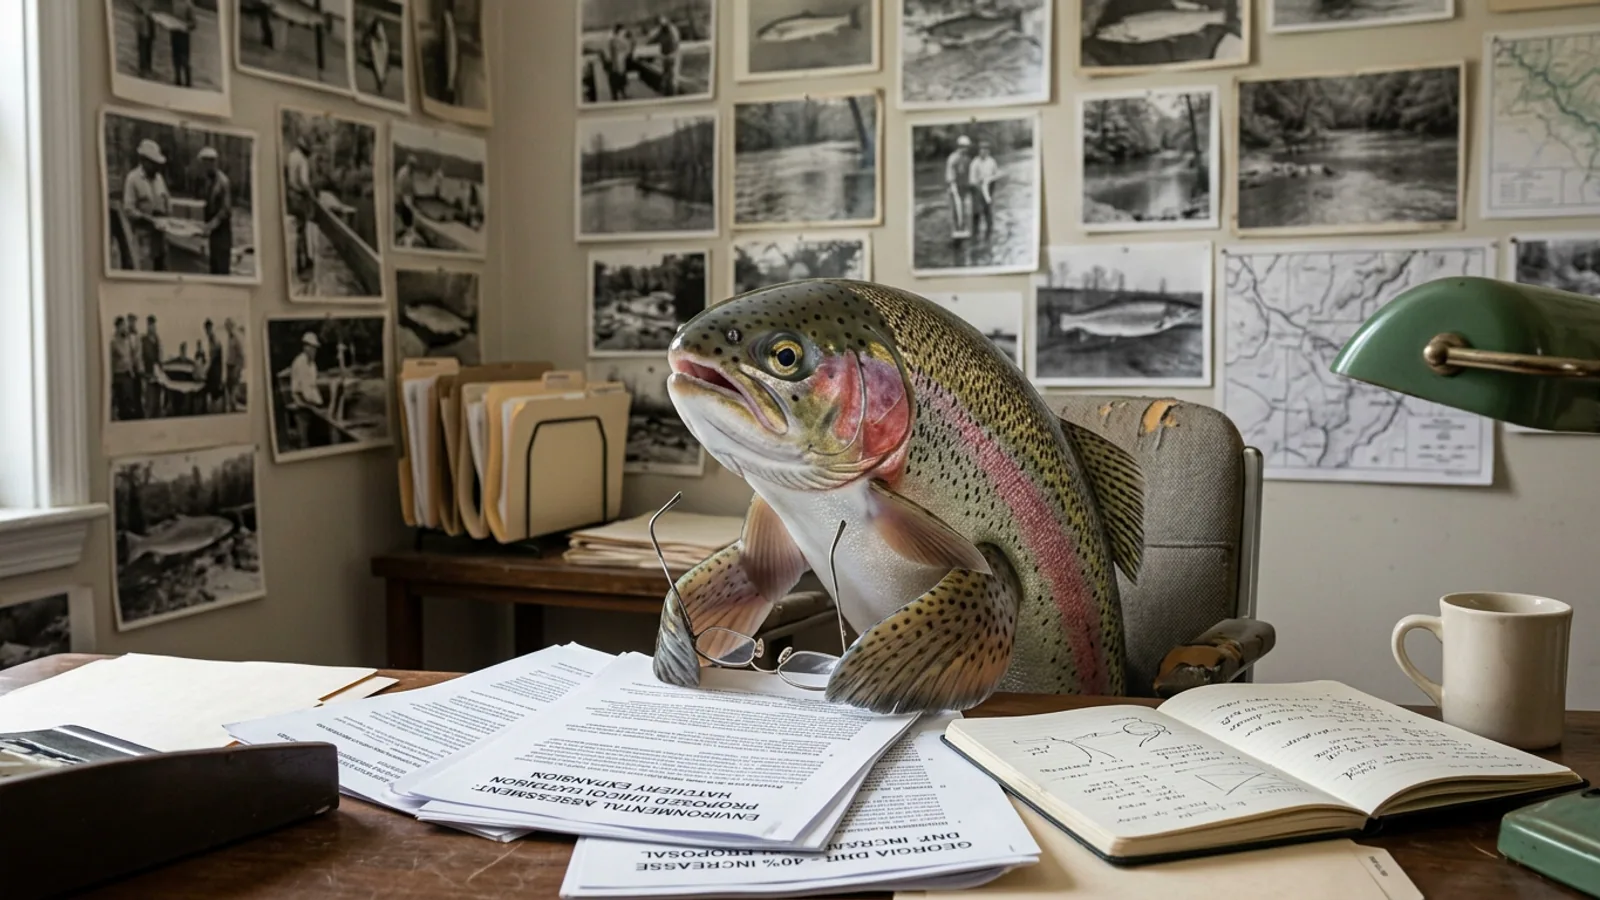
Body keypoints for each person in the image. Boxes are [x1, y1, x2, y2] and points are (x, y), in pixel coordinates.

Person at [123, 138, 171, 272]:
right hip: (144, 240)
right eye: (153, 163)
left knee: (163, 274)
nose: (157, 167)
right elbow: (128, 209)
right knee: (147, 273)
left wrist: (167, 214)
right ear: (144, 161)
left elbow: (167, 198)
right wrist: (148, 218)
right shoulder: (133, 179)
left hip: (161, 239)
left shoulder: (159, 178)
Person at [197, 146, 233, 277]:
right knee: (214, 268)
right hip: (214, 234)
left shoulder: (223, 182)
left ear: (212, 163)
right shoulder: (209, 182)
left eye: (206, 163)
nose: (204, 168)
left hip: (222, 234)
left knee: (222, 269)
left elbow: (226, 210)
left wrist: (210, 225)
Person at [285, 135, 315, 276]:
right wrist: (310, 193)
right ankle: (303, 262)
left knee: (298, 228)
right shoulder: (303, 160)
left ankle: (298, 259)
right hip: (300, 196)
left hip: (291, 195)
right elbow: (303, 181)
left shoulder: (291, 156)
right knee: (302, 229)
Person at [288, 331, 324, 446]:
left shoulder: (313, 365)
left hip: (311, 403)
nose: (314, 351)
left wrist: (318, 403)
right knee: (304, 441)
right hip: (301, 402)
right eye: (312, 347)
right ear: (306, 347)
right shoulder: (299, 363)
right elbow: (303, 390)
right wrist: (311, 405)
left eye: (315, 348)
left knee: (317, 438)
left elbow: (313, 386)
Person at [967, 140, 1000, 242]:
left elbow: (996, 174)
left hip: (989, 189)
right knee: (976, 213)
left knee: (988, 212)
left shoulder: (992, 161)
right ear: (979, 151)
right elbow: (971, 180)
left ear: (988, 151)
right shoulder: (974, 163)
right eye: (982, 149)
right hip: (977, 190)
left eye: (985, 149)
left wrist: (991, 180)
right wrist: (978, 183)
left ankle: (989, 234)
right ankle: (975, 234)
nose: (984, 152)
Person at [944, 135, 973, 236]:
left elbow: (969, 173)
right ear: (959, 146)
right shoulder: (953, 158)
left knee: (964, 208)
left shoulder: (967, 159)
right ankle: (956, 229)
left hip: (963, 187)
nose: (965, 149)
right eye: (963, 146)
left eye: (966, 147)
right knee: (956, 208)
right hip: (954, 187)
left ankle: (963, 227)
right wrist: (952, 186)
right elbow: (949, 173)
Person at [110, 316, 135, 421]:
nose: (125, 328)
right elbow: (111, 361)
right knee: (122, 404)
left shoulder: (127, 341)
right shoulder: (113, 342)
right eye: (123, 325)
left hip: (128, 375)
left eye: (125, 325)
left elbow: (130, 356)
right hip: (119, 376)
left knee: (129, 402)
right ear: (118, 327)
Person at [650, 15, 681, 97]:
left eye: (661, 23)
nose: (660, 26)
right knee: (666, 75)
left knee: (672, 75)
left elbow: (675, 43)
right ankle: (667, 92)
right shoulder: (662, 31)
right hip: (666, 56)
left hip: (672, 55)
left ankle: (674, 92)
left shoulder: (672, 30)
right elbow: (654, 39)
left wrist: (672, 53)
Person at [141, 314, 163, 419]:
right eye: (150, 325)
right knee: (149, 404)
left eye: (154, 325)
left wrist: (160, 373)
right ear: (147, 326)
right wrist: (144, 376)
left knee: (157, 405)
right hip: (148, 376)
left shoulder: (158, 340)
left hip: (157, 377)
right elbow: (140, 358)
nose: (153, 327)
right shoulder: (143, 340)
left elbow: (160, 357)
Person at [604, 24, 633, 101]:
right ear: (619, 31)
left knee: (620, 79)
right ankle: (618, 96)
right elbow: (625, 51)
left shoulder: (616, 40)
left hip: (619, 62)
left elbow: (627, 50)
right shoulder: (616, 40)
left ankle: (621, 95)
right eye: (623, 30)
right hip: (617, 63)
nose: (624, 32)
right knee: (618, 79)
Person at [170, 0, 195, 87]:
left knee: (185, 59)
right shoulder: (173, 2)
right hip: (174, 33)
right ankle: (177, 80)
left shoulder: (189, 4)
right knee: (175, 58)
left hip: (184, 35)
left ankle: (188, 82)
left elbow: (194, 23)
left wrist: (186, 26)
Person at [394, 153, 418, 238]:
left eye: (415, 166)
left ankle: (408, 230)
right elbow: (400, 190)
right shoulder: (403, 173)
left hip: (407, 197)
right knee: (406, 217)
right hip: (401, 199)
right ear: (409, 164)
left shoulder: (411, 173)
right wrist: (406, 204)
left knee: (410, 216)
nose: (414, 168)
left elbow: (412, 187)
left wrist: (414, 196)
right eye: (413, 165)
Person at [223, 318, 244, 413]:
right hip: (228, 366)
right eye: (226, 326)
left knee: (233, 391)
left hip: (234, 367)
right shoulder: (228, 338)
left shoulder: (236, 338)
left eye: (229, 326)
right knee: (228, 388)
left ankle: (234, 408)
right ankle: (231, 408)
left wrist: (238, 368)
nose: (227, 328)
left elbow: (241, 355)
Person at [203, 318, 223, 414]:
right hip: (214, 366)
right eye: (206, 329)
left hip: (216, 366)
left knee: (213, 389)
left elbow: (215, 354)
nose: (207, 331)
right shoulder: (210, 338)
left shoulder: (214, 338)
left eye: (208, 329)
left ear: (210, 328)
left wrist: (208, 367)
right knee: (210, 388)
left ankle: (215, 409)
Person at [133, 0, 156, 78]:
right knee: (144, 45)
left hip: (149, 20)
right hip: (144, 21)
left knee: (147, 45)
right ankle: (144, 69)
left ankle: (147, 68)